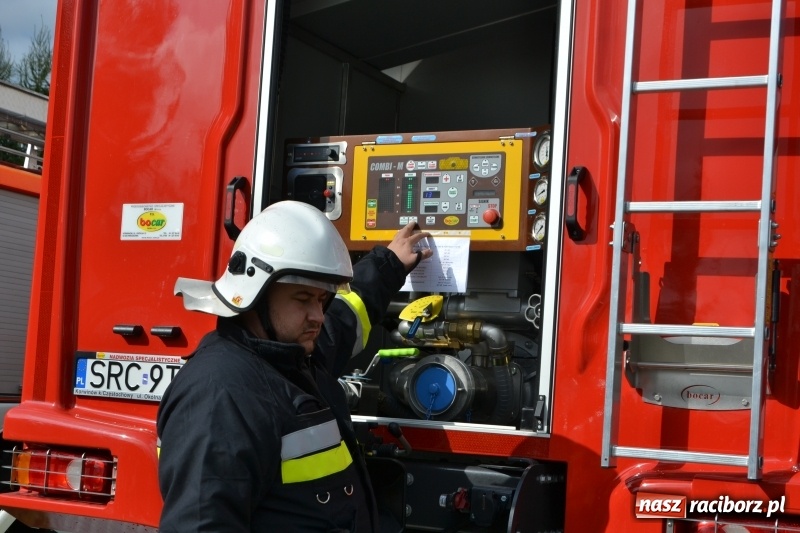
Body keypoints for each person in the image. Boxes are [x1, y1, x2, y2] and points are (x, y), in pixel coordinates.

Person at [157, 200, 432, 533]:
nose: (318, 316)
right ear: (255, 294)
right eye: (303, 299)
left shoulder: (290, 359)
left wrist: (388, 265)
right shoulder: (220, 394)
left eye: (322, 300)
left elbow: (342, 324)